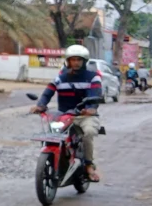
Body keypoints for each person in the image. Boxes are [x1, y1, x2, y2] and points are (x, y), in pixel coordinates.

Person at [31, 45, 104, 182]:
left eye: (79, 60)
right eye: (73, 60)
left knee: (87, 133)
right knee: (52, 132)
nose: (75, 62)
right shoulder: (60, 78)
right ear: (68, 61)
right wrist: (41, 105)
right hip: (63, 115)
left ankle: (89, 165)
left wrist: (90, 108)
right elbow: (49, 91)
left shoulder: (93, 78)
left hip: (84, 115)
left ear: (84, 62)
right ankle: (57, 159)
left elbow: (95, 96)